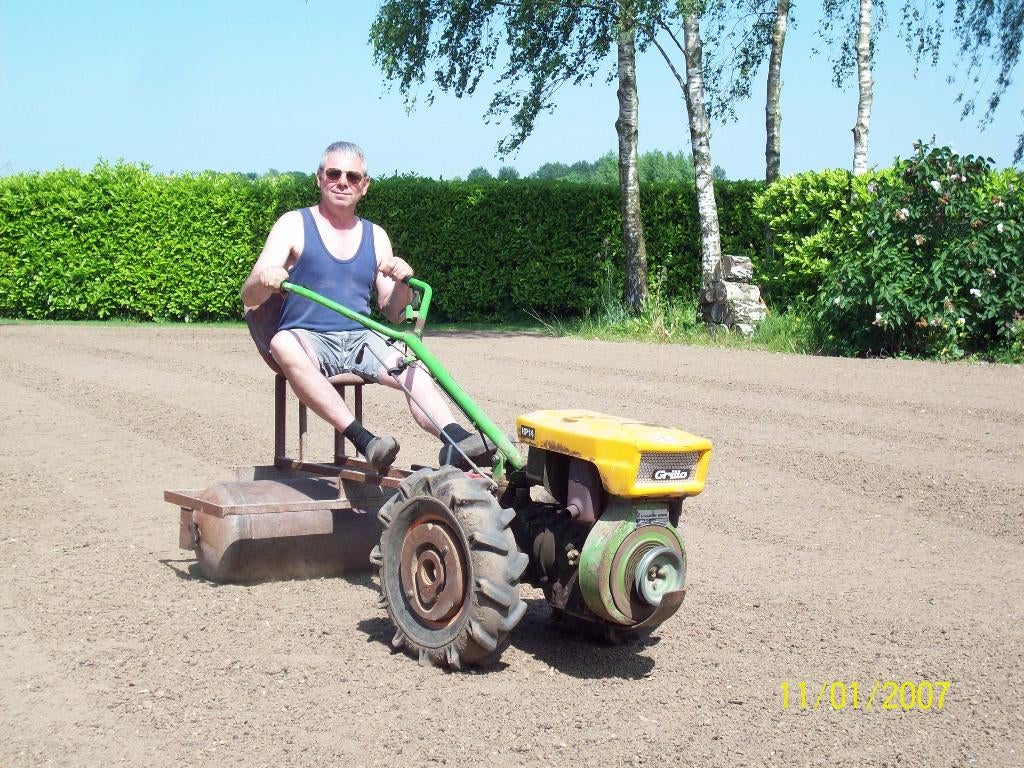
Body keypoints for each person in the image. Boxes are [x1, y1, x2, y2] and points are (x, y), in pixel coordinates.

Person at [241, 141, 492, 473]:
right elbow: (250, 297)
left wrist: (402, 281)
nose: (343, 182)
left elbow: (392, 311)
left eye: (353, 176)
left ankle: (455, 439)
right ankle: (365, 441)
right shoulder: (293, 225)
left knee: (408, 354)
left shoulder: (376, 236)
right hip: (309, 339)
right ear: (319, 178)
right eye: (334, 173)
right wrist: (264, 279)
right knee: (281, 343)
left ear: (365, 185)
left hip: (361, 339)